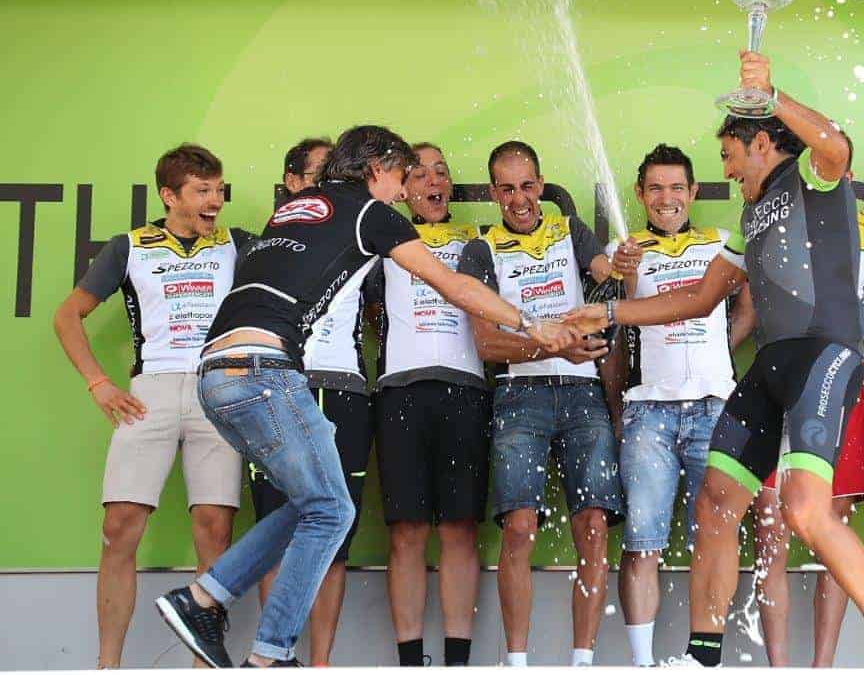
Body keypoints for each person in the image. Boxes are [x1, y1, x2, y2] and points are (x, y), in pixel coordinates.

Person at [153, 126, 576, 668]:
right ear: (375, 168)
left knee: (314, 502)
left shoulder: (298, 207)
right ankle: (271, 654)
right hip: (263, 372)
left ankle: (203, 599)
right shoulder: (369, 212)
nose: (403, 190)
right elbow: (451, 284)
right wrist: (532, 324)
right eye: (401, 176)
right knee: (332, 509)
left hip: (216, 375)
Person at [570, 51, 864, 670]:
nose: (727, 170)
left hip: (824, 355)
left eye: (730, 155)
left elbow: (835, 146)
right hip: (772, 365)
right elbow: (698, 298)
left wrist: (772, 95)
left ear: (761, 143)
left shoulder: (813, 177)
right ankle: (703, 655)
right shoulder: (749, 214)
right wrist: (608, 313)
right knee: (715, 504)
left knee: (804, 508)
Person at [53, 144, 250, 669]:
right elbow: (67, 315)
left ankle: (203, 664)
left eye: (219, 190)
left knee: (215, 528)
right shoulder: (130, 246)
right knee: (120, 526)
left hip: (216, 389)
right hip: (151, 392)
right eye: (202, 191)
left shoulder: (238, 244)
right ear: (169, 195)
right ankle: (108, 664)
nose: (214, 201)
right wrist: (98, 383)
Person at [456, 140, 626, 667]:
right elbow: (488, 344)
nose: (519, 199)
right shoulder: (480, 250)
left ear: (541, 185)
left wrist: (621, 264)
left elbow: (608, 275)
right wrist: (553, 345)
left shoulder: (569, 230)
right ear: (493, 193)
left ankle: (582, 662)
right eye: (507, 189)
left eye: (527, 186)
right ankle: (517, 663)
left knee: (593, 527)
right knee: (519, 528)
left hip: (583, 393)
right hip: (519, 394)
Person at [603, 144, 755, 667]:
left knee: (715, 537)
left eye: (675, 187)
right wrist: (618, 411)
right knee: (642, 541)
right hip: (648, 412)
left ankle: (704, 656)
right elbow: (615, 329)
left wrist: (719, 352)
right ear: (640, 194)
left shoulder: (720, 243)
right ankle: (642, 664)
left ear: (692, 192)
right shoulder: (624, 251)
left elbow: (749, 307)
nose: (665, 198)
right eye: (654, 188)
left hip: (715, 408)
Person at [244, 136, 375, 666]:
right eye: (319, 175)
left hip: (344, 387)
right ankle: (274, 659)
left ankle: (320, 664)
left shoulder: (360, 233)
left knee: (334, 533)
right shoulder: (268, 243)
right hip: (279, 384)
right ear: (292, 182)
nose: (328, 186)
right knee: (275, 528)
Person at [751, 208, 864, 667]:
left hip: (840, 385)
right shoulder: (772, 221)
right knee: (770, 525)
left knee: (831, 521)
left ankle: (823, 667)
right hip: (778, 383)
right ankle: (778, 668)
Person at [373, 142, 490, 667]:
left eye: (441, 173)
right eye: (419, 175)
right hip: (400, 391)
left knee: (460, 528)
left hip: (466, 391)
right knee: (406, 532)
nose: (433, 182)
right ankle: (410, 662)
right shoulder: (382, 242)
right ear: (402, 189)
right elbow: (370, 310)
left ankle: (457, 662)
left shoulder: (477, 241)